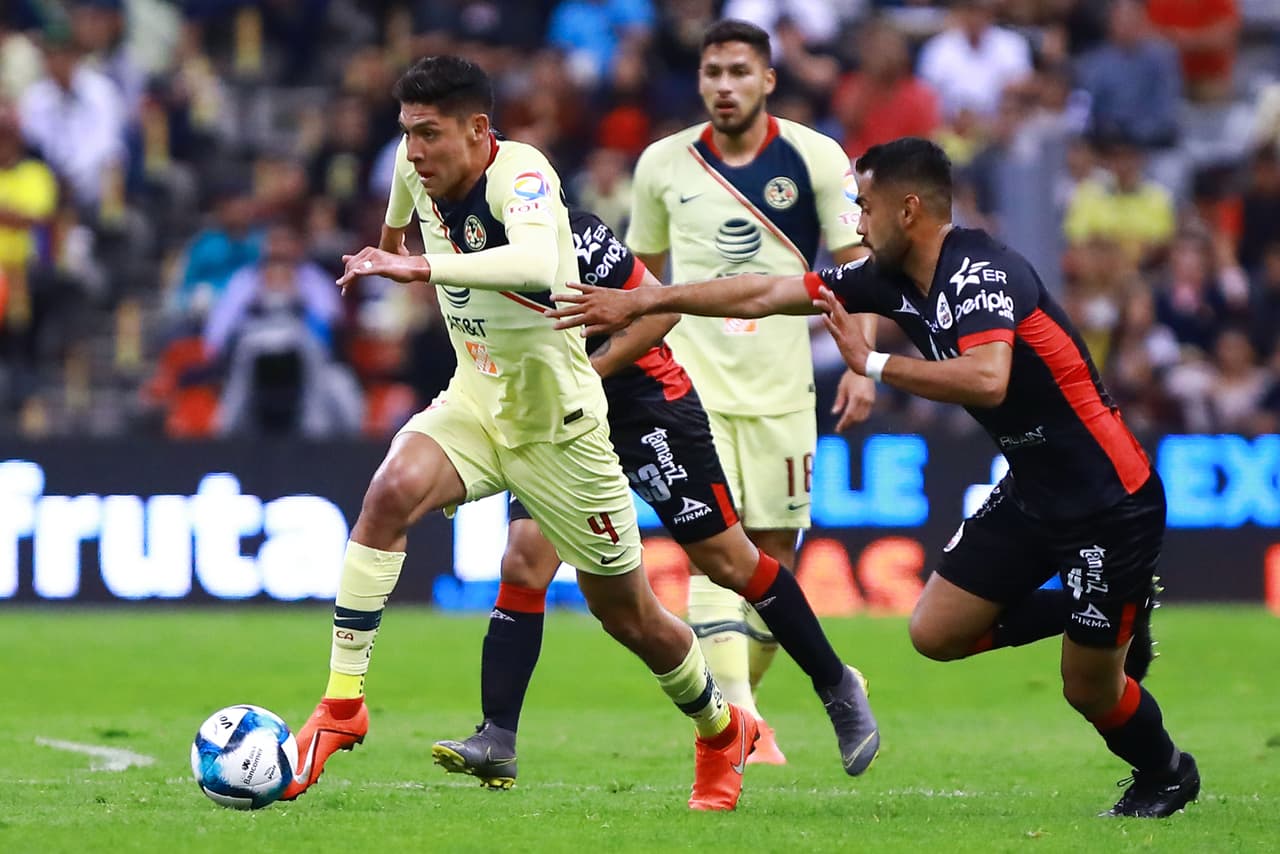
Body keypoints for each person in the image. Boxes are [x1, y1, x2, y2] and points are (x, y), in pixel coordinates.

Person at [552, 137, 1200, 819]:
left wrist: (874, 364)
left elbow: (988, 377)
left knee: (1088, 689)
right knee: (935, 633)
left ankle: (1166, 773)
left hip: (1107, 498)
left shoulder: (983, 272)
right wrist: (648, 303)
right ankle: (1114, 614)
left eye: (864, 206)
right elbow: (767, 291)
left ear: (908, 209)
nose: (855, 223)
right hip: (1033, 491)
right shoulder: (887, 279)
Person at [282, 54, 827, 814]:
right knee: (390, 493)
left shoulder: (523, 173)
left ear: (478, 130)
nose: (414, 153)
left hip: (562, 429)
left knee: (630, 617)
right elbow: (398, 227)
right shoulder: (419, 170)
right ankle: (342, 705)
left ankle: (720, 728)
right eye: (406, 134)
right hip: (477, 397)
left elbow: (540, 258)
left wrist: (420, 270)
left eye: (430, 135)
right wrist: (388, 250)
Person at [430, 209, 878, 789]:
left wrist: (591, 373)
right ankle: (497, 737)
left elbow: (660, 308)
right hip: (560, 422)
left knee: (729, 562)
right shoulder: (472, 257)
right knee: (526, 560)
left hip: (645, 402)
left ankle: (836, 685)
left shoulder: (576, 232)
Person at [626, 18, 876, 762]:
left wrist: (861, 366)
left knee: (773, 557)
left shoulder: (816, 157)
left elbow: (856, 268)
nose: (724, 86)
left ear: (768, 79)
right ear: (698, 80)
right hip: (690, 388)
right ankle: (737, 718)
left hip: (783, 389)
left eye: (739, 72)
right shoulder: (662, 165)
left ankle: (751, 701)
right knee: (714, 552)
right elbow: (637, 282)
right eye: (712, 74)